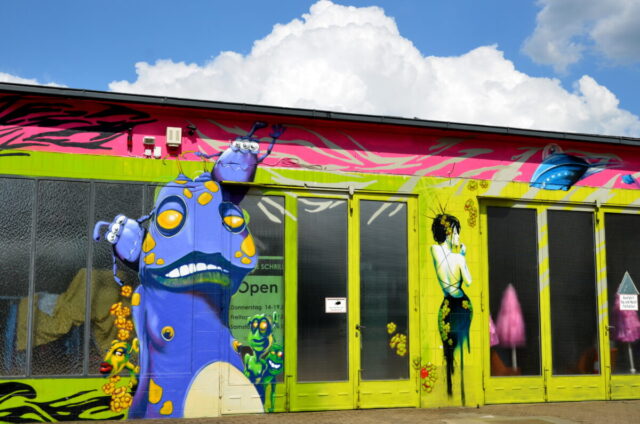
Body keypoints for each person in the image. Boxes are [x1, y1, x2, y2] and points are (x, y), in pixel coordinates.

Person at [430, 214, 472, 404]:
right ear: (449, 232)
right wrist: (462, 255)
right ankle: (459, 391)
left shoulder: (434, 250)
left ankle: (449, 387)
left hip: (446, 304)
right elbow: (468, 281)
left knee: (448, 347)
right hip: (462, 304)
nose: (458, 236)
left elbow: (441, 256)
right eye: (456, 232)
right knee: (460, 346)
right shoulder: (458, 258)